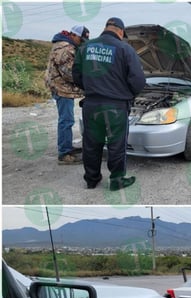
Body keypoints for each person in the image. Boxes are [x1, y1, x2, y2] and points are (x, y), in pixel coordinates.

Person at [73, 17, 146, 191]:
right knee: (116, 144)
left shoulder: (85, 47)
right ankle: (117, 181)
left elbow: (76, 75)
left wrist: (92, 88)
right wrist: (129, 95)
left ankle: (91, 179)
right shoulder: (125, 49)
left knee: (91, 144)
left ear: (106, 28)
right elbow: (138, 80)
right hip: (115, 107)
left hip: (91, 105)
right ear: (120, 31)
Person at [45, 25, 90, 165]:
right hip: (61, 89)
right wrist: (89, 81)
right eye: (81, 39)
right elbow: (70, 73)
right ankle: (64, 154)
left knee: (66, 120)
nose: (81, 42)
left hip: (59, 86)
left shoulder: (62, 44)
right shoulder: (66, 49)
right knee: (66, 120)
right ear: (74, 35)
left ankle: (67, 147)